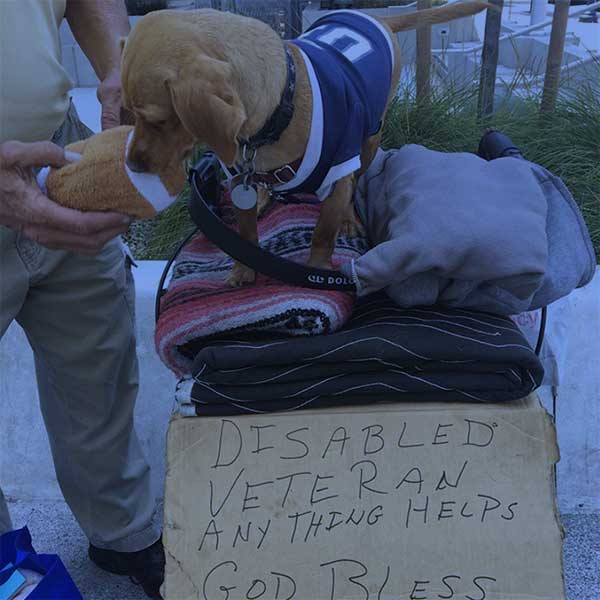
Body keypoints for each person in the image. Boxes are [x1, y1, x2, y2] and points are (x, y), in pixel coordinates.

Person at [0, 1, 164, 597]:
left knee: (96, 360)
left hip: (56, 155)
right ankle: (4, 574)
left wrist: (119, 58)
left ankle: (123, 533)